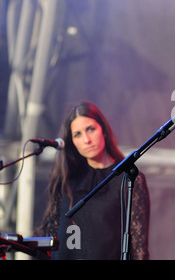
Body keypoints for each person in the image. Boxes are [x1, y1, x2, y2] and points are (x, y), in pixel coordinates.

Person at [36, 101, 150, 260]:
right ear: (72, 141)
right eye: (77, 134)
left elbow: (139, 249)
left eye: (90, 129)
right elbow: (52, 233)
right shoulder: (67, 178)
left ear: (103, 130)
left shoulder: (129, 179)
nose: (86, 140)